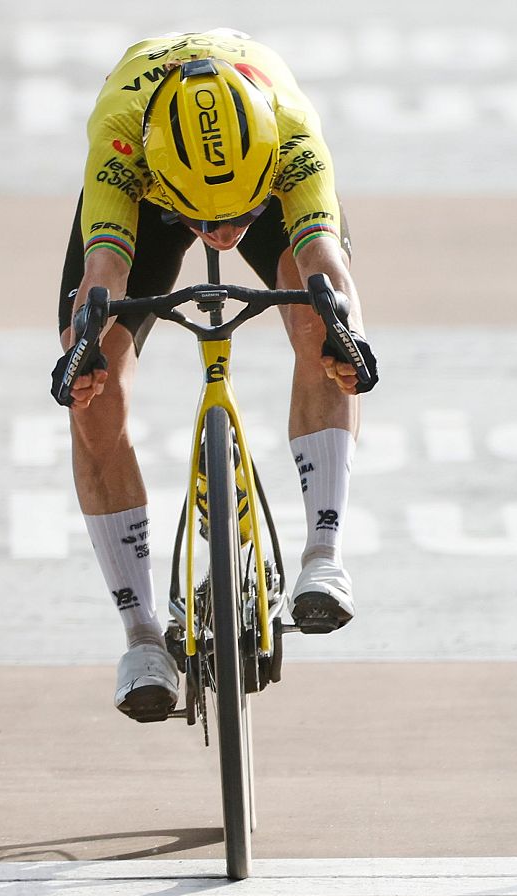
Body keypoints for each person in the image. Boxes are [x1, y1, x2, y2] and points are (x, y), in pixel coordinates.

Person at [52, 29, 375, 723]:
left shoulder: (290, 133)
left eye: (239, 217)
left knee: (326, 325)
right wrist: (84, 354)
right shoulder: (123, 142)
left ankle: (325, 552)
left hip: (262, 168)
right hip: (148, 189)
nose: (223, 234)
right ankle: (141, 634)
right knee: (94, 394)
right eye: (206, 221)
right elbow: (102, 272)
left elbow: (325, 257)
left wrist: (347, 336)